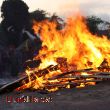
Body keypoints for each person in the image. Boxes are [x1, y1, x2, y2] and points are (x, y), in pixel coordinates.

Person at [0, 0, 42, 77]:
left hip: (20, 52)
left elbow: (35, 41)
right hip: (6, 52)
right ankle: (12, 73)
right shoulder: (4, 26)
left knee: (20, 51)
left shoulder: (24, 25)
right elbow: (4, 42)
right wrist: (8, 49)